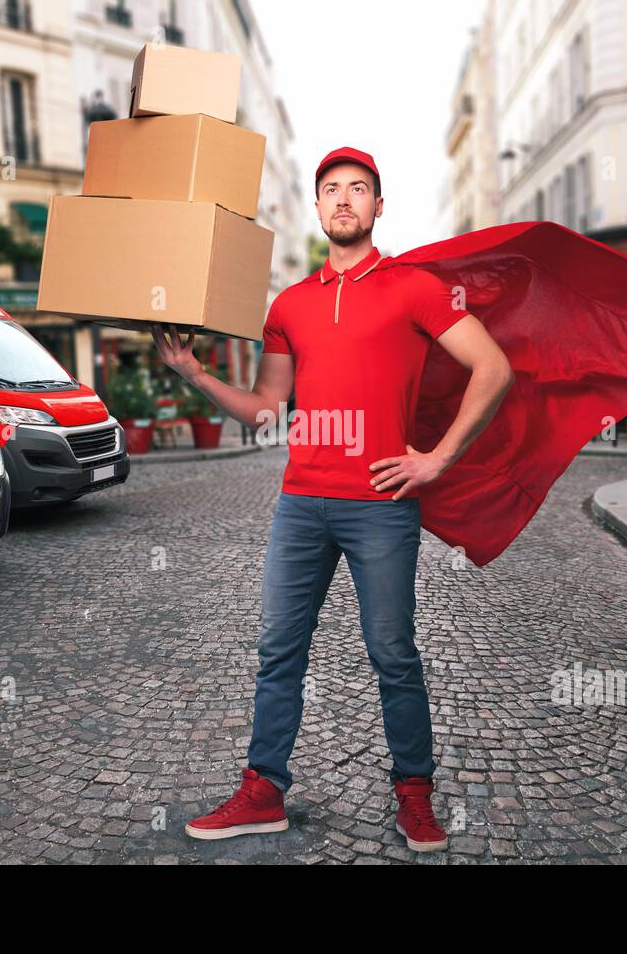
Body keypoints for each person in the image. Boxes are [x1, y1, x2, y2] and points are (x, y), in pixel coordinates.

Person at [153, 146, 514, 853]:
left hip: (381, 506)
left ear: (379, 207)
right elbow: (265, 410)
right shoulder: (288, 305)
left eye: (359, 189)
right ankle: (263, 791)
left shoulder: (414, 287)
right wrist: (192, 373)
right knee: (279, 649)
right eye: (331, 190)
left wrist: (437, 458)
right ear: (317, 208)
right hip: (301, 505)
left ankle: (414, 790)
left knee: (392, 652)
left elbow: (493, 366)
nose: (344, 199)